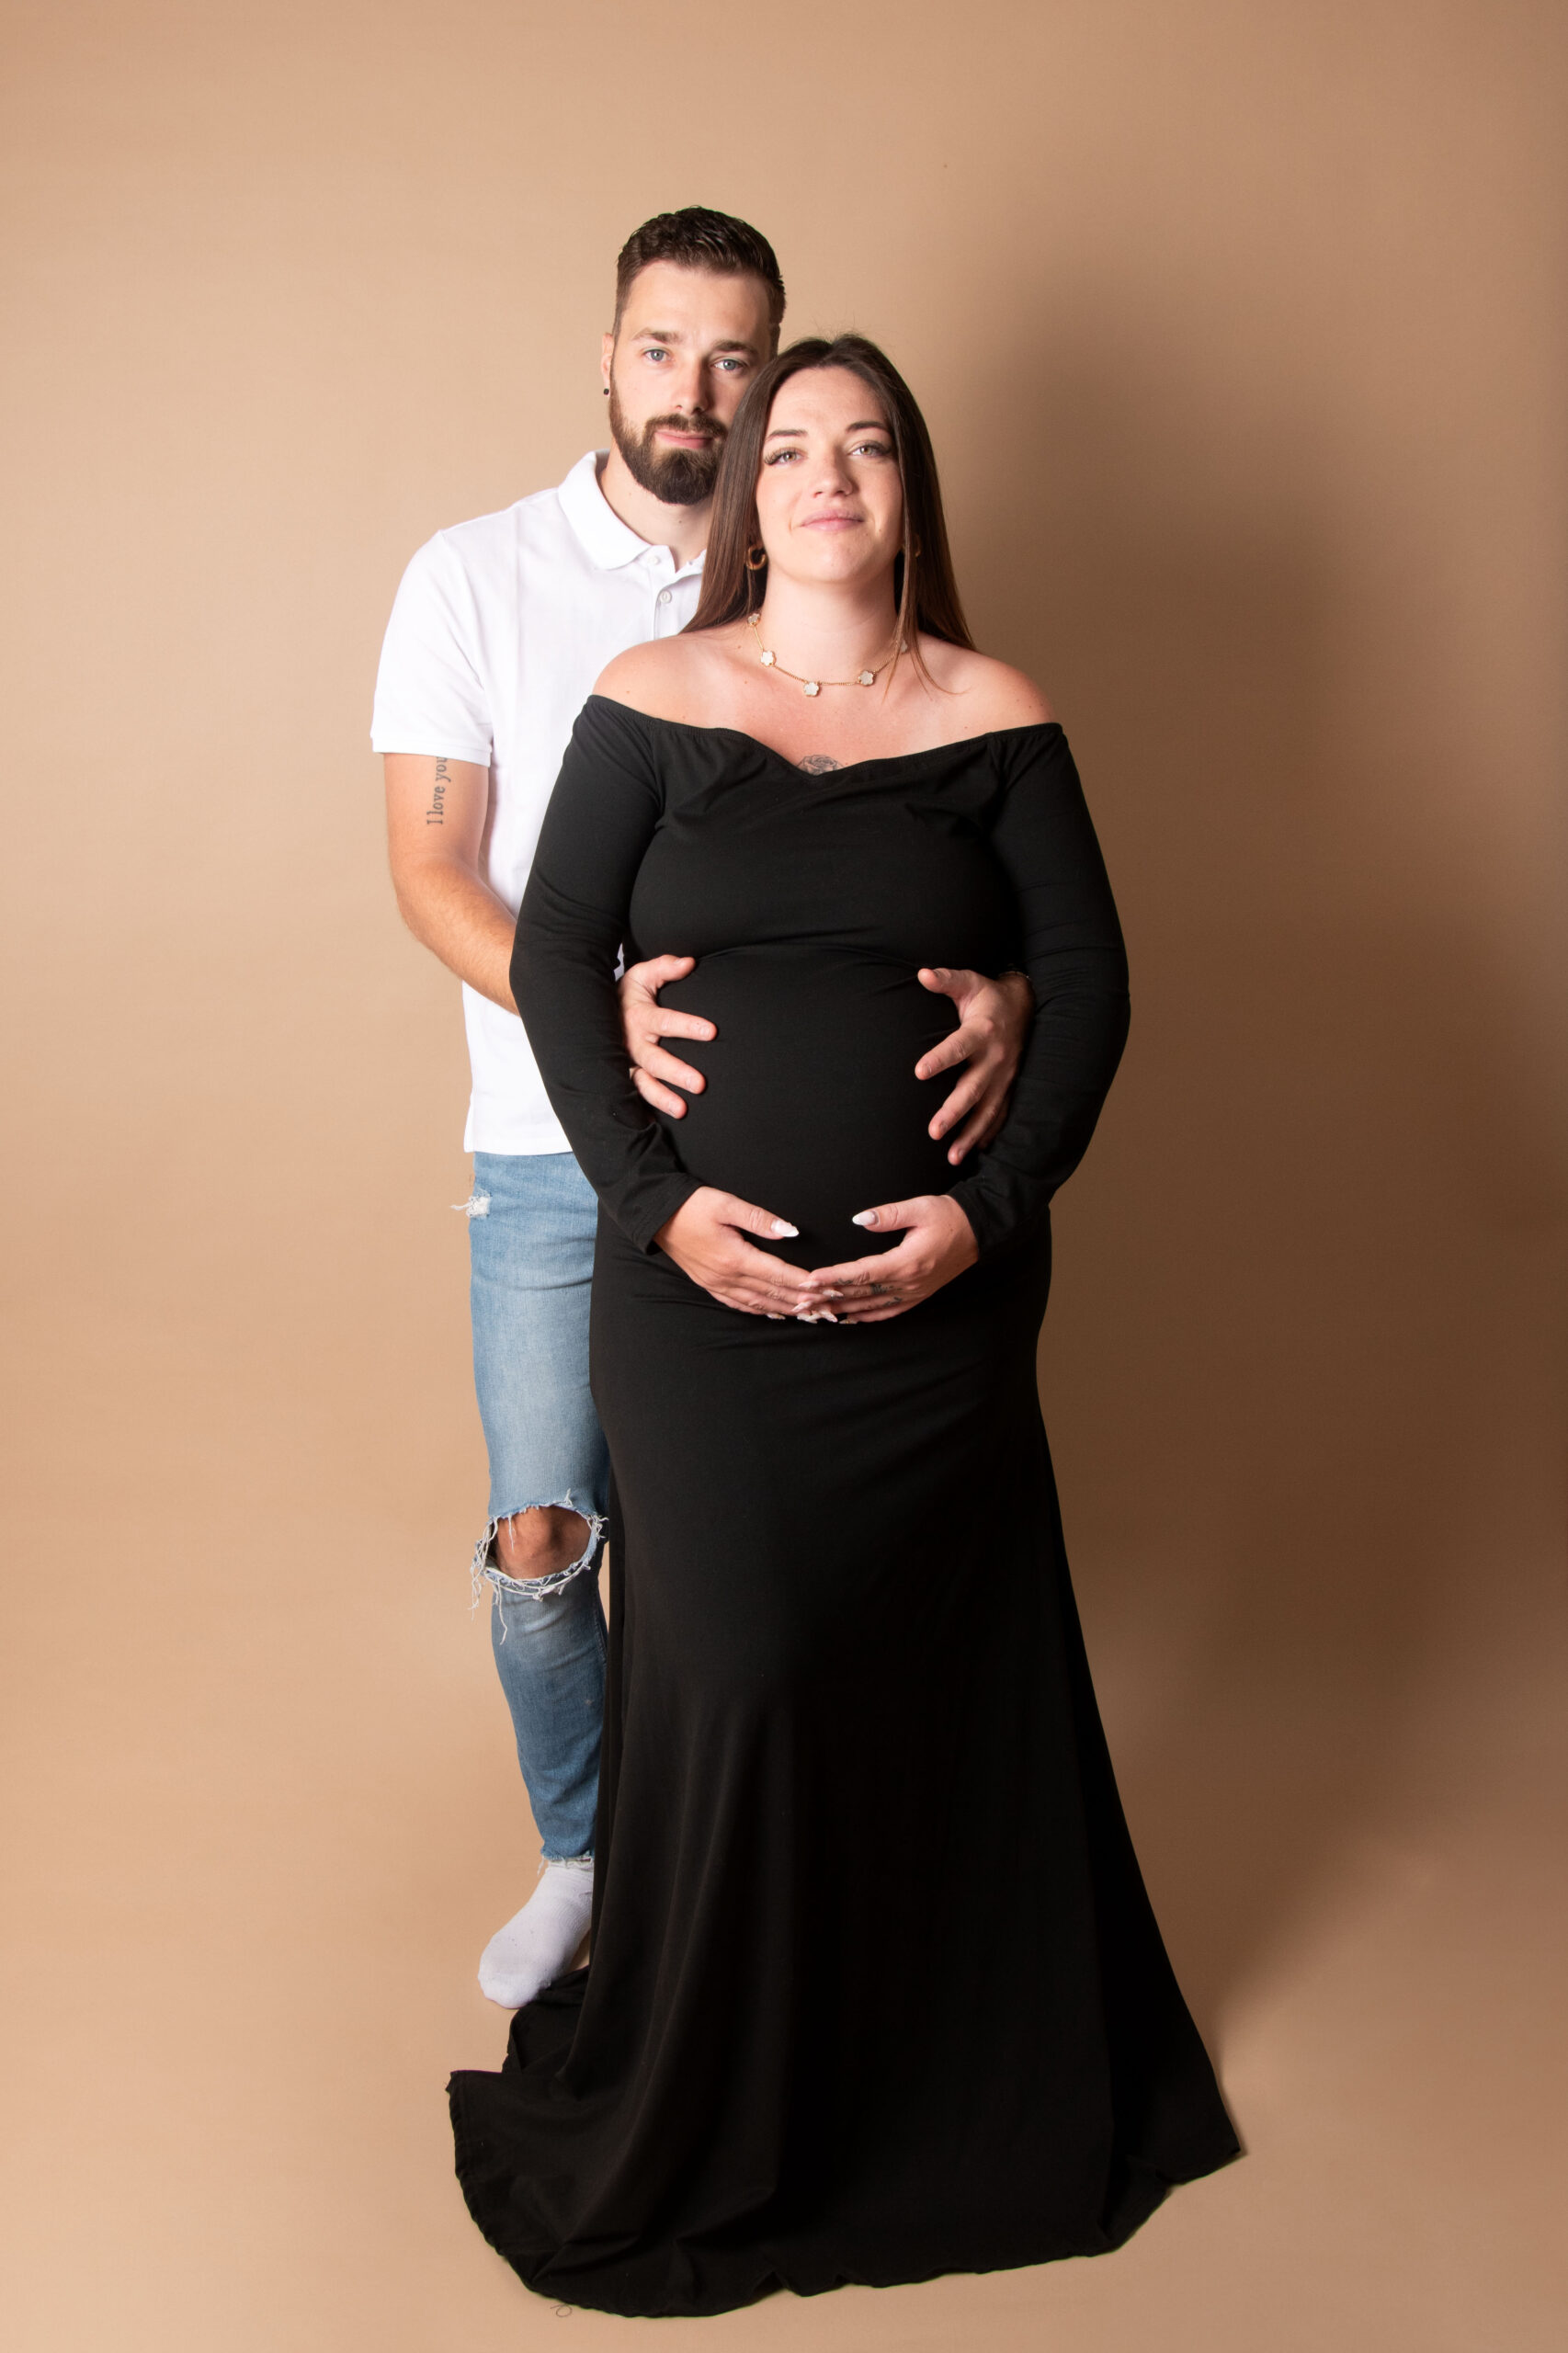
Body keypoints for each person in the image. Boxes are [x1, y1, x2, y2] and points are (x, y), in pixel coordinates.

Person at [448, 335, 1240, 2315]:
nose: (824, 474)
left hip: (939, 1319)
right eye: (790, 445)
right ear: (748, 493)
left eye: (864, 445)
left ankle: (924, 2080)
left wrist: (984, 1215)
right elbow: (557, 958)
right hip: (692, 1307)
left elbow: (1090, 981)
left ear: (908, 490)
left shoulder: (996, 711)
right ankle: (719, 2089)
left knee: (917, 1664)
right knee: (740, 1659)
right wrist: (657, 1202)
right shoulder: (654, 696)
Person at [372, 212, 1033, 2010]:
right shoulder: (477, 575)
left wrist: (1018, 986)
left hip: (803, 1177)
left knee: (739, 1563)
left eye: (737, 357)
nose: (699, 388)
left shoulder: (818, 555)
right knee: (548, 1533)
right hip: (552, 1146)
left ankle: (747, 1879)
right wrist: (587, 1012)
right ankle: (584, 1855)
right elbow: (431, 869)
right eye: (663, 349)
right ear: (608, 358)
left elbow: (945, 853)